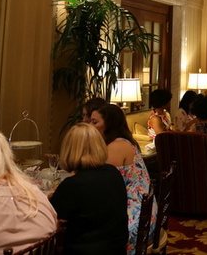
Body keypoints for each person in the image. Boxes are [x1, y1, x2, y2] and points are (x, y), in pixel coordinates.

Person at [52, 123, 128, 255]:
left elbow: (51, 218)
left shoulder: (72, 185)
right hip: (117, 249)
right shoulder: (113, 172)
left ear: (69, 150)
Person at [91, 104, 151, 255]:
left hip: (135, 215)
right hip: (145, 208)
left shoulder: (116, 146)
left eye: (94, 122)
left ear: (109, 123)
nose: (90, 126)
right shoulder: (124, 141)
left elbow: (98, 183)